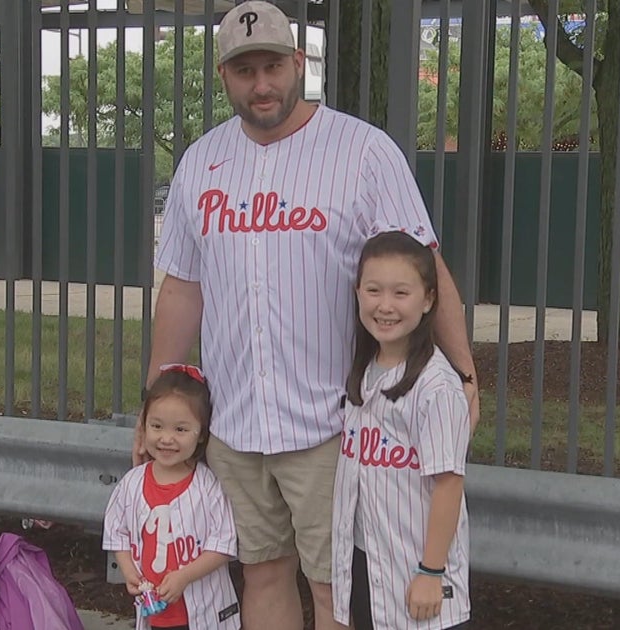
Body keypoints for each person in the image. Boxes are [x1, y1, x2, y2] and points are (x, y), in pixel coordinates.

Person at [141, 2, 479, 629]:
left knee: (333, 589)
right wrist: (158, 404)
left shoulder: (362, 151)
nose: (261, 84)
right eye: (245, 72)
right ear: (224, 77)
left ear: (299, 63)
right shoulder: (201, 162)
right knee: (261, 573)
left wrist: (464, 373)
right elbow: (183, 289)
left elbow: (427, 267)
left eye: (273, 66)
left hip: (332, 425)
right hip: (234, 425)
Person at [331, 231, 471, 630]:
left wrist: (431, 571)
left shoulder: (437, 387)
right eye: (373, 290)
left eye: (401, 293)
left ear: (428, 299)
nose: (385, 305)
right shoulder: (362, 371)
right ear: (358, 292)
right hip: (367, 561)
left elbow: (448, 484)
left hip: (419, 572)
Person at [103, 365, 242, 630]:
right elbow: (116, 532)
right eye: (157, 426)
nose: (166, 439)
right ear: (143, 428)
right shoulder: (132, 483)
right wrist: (128, 570)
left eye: (180, 430)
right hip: (155, 611)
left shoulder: (208, 486)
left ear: (201, 434)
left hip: (203, 613)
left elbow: (223, 544)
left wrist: (184, 577)